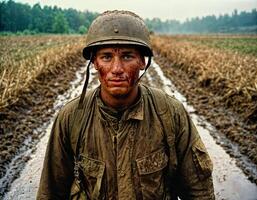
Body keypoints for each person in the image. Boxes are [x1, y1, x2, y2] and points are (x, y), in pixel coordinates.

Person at [37, 10, 214, 200]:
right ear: (95, 62)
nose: (117, 69)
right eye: (106, 57)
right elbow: (51, 192)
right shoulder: (72, 117)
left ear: (142, 62)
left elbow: (199, 191)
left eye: (127, 56)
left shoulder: (170, 114)